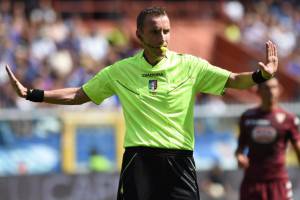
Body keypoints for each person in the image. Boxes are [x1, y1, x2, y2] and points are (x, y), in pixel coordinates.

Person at [6, 6, 278, 200]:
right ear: (139, 35)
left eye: (166, 31)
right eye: (155, 32)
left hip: (179, 159)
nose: (162, 39)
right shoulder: (121, 70)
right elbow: (80, 94)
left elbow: (232, 80)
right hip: (139, 160)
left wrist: (260, 75)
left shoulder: (190, 66)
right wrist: (33, 94)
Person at [235, 78, 300, 200]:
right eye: (267, 88)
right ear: (257, 91)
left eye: (274, 87)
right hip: (252, 182)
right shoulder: (247, 117)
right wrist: (239, 156)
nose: (271, 91)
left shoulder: (288, 119)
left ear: (279, 90)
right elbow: (240, 148)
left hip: (278, 182)